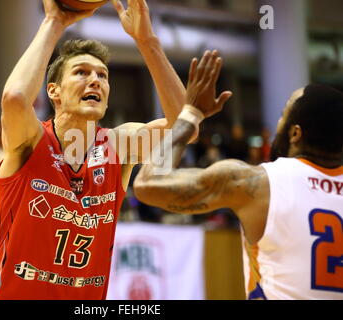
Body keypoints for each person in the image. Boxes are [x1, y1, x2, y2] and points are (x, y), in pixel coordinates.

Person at [0, 0, 227, 300]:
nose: (95, 79)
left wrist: (147, 43)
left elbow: (184, 130)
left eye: (103, 76)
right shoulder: (31, 141)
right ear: (54, 91)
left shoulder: (116, 146)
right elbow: (16, 98)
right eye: (81, 72)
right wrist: (54, 22)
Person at [133, 58, 343, 300]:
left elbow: (148, 185)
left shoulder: (258, 183)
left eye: (283, 115)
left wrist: (190, 114)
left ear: (295, 133)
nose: (277, 123)